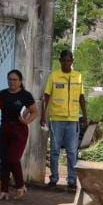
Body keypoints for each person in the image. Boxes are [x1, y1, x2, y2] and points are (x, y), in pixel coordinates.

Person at [40, 48, 86, 191]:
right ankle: (54, 178)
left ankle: (71, 180)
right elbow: (46, 96)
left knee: (72, 151)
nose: (66, 63)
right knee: (54, 151)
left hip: (73, 119)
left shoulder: (78, 76)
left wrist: (85, 115)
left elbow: (81, 97)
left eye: (69, 60)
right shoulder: (54, 76)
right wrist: (43, 115)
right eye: (64, 60)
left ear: (72, 61)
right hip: (56, 119)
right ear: (60, 61)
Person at [0, 69, 37, 200]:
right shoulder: (2, 94)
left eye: (15, 80)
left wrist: (27, 121)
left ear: (20, 81)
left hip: (19, 130)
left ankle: (20, 186)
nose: (12, 82)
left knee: (13, 158)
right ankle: (4, 190)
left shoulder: (26, 95)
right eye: (10, 79)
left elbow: (34, 111)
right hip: (5, 129)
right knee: (4, 160)